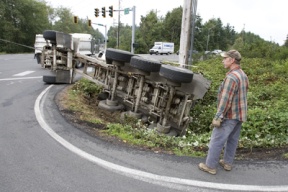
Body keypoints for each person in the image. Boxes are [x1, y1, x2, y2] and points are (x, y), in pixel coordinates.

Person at [198, 49, 249, 175]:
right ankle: (227, 163)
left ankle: (210, 166)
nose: (222, 61)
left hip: (229, 115)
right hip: (240, 115)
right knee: (232, 139)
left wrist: (218, 116)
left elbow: (225, 100)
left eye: (225, 58)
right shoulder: (242, 74)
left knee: (217, 139)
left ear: (231, 60)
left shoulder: (231, 77)